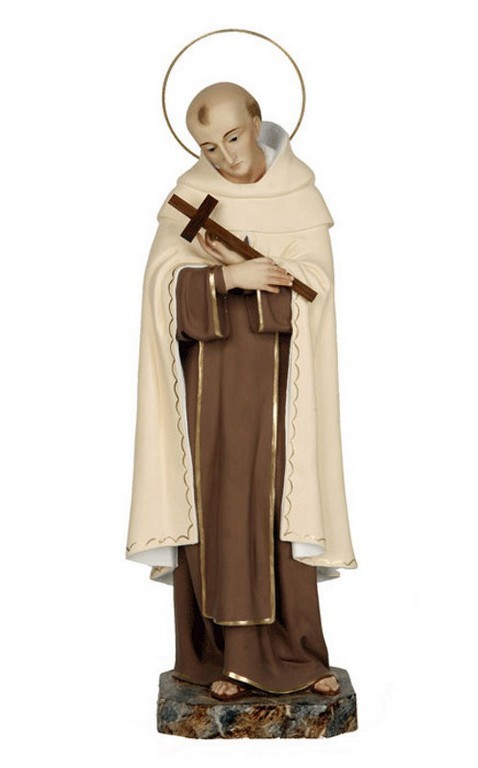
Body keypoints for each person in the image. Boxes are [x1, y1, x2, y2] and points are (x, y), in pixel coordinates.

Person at [125, 82, 357, 701]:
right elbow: (159, 291)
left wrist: (267, 279)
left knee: (283, 504)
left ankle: (298, 654)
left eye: (232, 137)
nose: (225, 156)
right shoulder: (190, 199)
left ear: (256, 122)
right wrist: (226, 277)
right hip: (210, 389)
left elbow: (317, 290)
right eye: (209, 146)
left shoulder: (299, 195)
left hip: (283, 388)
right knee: (220, 507)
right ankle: (218, 657)